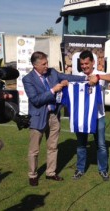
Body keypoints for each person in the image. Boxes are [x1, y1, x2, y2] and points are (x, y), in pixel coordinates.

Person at [22, 51, 90, 186]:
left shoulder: (52, 72)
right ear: (35, 66)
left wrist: (86, 78)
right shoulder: (28, 79)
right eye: (43, 64)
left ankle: (51, 173)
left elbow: (67, 77)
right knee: (34, 150)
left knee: (53, 147)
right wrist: (53, 90)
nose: (47, 66)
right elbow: (35, 100)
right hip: (38, 117)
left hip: (54, 116)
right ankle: (33, 175)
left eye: (47, 63)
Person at [72, 50, 110, 181]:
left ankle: (103, 170)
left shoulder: (100, 74)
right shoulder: (79, 76)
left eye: (86, 63)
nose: (84, 66)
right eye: (82, 64)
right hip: (82, 117)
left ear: (93, 62)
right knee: (81, 144)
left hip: (98, 116)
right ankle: (80, 169)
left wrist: (98, 78)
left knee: (101, 145)